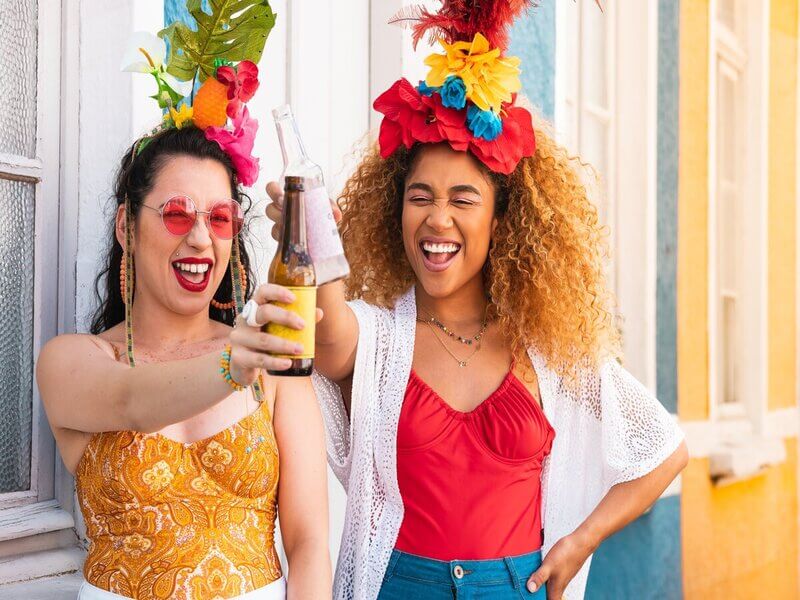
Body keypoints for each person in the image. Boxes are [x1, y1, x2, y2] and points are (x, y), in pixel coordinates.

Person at [266, 2, 687, 599]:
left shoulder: (545, 350)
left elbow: (664, 450)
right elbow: (327, 337)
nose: (438, 219)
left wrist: (580, 540)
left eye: (463, 200)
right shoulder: (379, 340)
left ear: (501, 220)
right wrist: (314, 238)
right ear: (395, 210)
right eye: (420, 197)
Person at [36, 8, 330, 599]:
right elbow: (131, 401)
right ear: (126, 226)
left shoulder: (273, 363)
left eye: (219, 219)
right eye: (176, 214)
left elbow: (308, 543)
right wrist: (233, 364)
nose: (199, 238)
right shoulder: (73, 360)